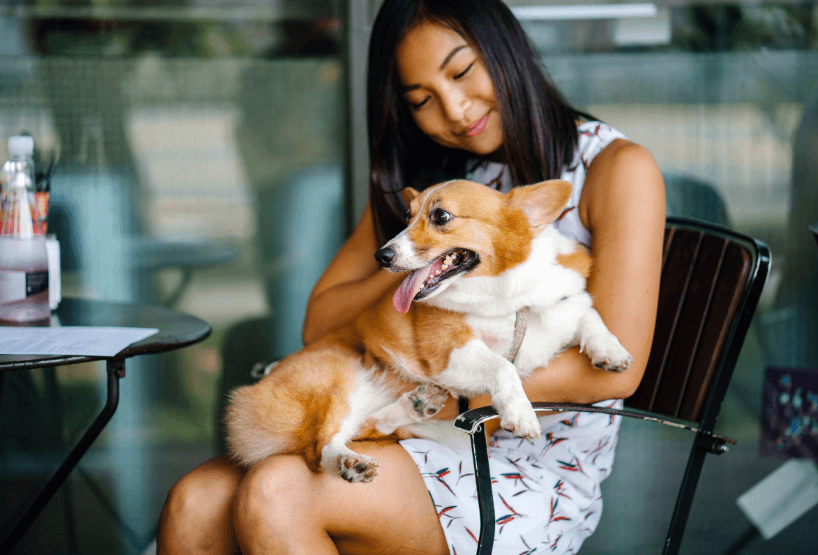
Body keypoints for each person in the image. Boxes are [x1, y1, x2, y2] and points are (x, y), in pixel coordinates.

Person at [156, 0, 666, 553]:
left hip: (526, 463)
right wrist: (422, 247)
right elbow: (321, 321)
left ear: (505, 49)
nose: (453, 109)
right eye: (421, 100)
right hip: (410, 425)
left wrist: (447, 392)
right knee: (194, 499)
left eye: (462, 71)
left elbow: (619, 372)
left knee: (276, 493)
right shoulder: (439, 179)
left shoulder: (614, 168)